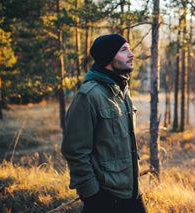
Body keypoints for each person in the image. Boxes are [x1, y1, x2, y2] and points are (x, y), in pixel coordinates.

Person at [61, 34, 146, 213]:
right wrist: (93, 195)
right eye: (124, 50)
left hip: (131, 193)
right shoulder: (89, 96)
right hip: (105, 199)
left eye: (130, 49)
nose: (131, 54)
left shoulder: (122, 90)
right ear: (108, 58)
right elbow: (75, 151)